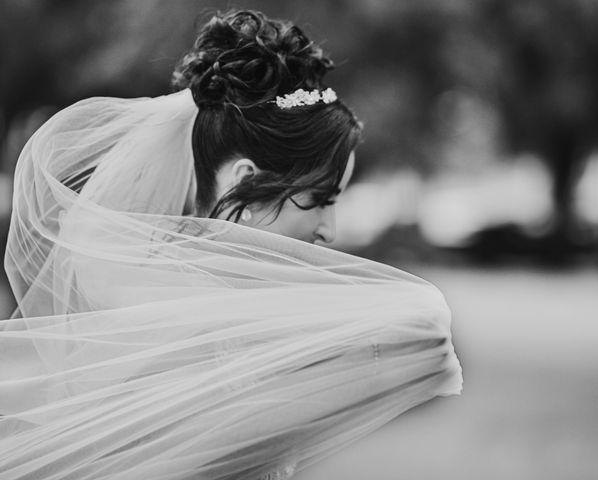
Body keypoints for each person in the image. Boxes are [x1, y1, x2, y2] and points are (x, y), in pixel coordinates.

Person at [0, 9, 462, 480]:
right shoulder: (160, 311)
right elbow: (425, 332)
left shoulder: (218, 302)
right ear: (245, 182)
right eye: (319, 199)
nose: (330, 229)